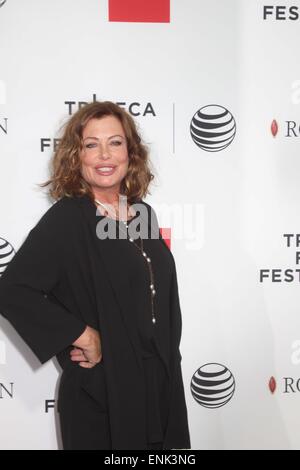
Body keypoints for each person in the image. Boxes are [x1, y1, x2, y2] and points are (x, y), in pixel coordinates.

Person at [0, 101, 191, 450]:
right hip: (104, 395)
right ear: (77, 156)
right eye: (91, 144)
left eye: (115, 142)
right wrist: (82, 335)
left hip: (159, 387)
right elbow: (13, 290)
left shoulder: (141, 212)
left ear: (130, 152)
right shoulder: (69, 218)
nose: (105, 154)